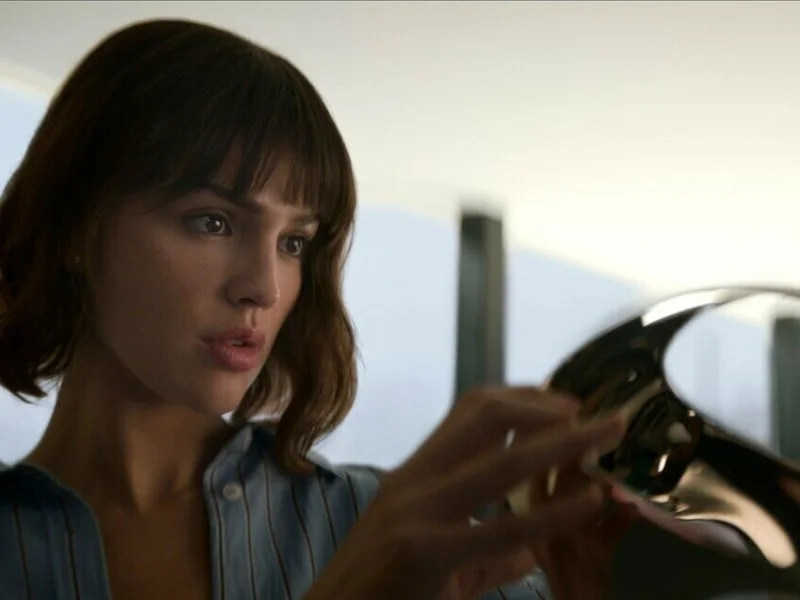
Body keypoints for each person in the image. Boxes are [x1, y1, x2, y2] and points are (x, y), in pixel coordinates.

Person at [0, 18, 723, 600]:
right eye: (211, 221)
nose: (265, 287)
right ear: (77, 228)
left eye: (294, 242)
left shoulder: (393, 528)